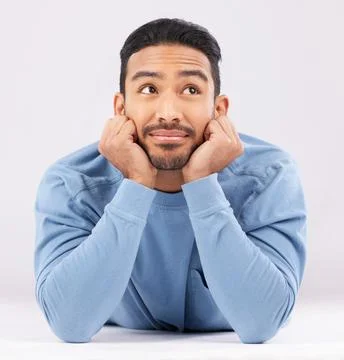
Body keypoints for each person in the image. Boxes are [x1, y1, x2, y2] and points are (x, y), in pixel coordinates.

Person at [33, 18, 307, 344]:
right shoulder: (71, 183)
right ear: (120, 107)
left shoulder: (270, 176)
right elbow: (70, 323)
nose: (168, 112)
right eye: (148, 89)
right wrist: (136, 183)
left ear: (219, 110)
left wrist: (202, 183)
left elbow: (261, 323)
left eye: (190, 90)